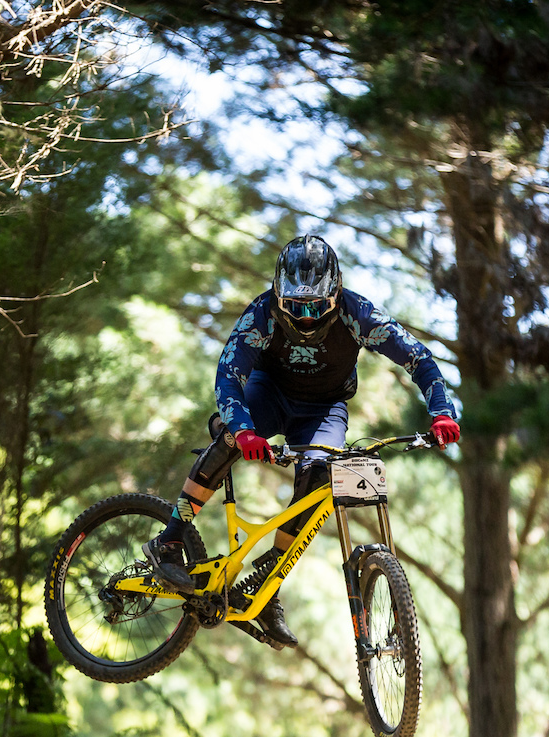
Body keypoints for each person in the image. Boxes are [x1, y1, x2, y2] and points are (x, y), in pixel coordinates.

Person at [142, 235, 461, 648]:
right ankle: (169, 538)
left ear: (336, 295)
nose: (307, 318)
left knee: (318, 476)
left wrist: (440, 410)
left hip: (324, 409)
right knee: (230, 438)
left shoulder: (359, 314)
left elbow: (417, 357)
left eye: (316, 307)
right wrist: (243, 430)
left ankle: (268, 583)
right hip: (268, 393)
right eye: (296, 307)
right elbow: (228, 374)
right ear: (279, 296)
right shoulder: (262, 313)